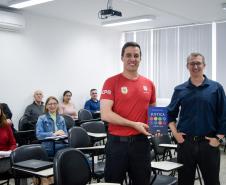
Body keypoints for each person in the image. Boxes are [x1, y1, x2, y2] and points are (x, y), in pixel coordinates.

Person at [100, 42, 156, 185]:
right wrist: (133, 124)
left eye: (136, 55)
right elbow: (105, 114)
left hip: (141, 143)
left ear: (140, 58)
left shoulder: (149, 84)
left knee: (142, 181)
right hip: (117, 144)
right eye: (128, 55)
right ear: (122, 58)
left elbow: (153, 113)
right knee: (113, 182)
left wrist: (157, 127)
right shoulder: (111, 82)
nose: (133, 59)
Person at [167, 52, 226, 185]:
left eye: (198, 63)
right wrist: (175, 134)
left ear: (204, 65)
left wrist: (219, 138)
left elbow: (224, 115)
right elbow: (170, 114)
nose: (195, 66)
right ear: (187, 66)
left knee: (212, 181)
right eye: (192, 63)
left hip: (209, 144)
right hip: (185, 144)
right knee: (184, 182)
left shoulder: (216, 88)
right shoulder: (179, 89)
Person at [0, 104, 16, 175]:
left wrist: (11, 150)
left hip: (6, 157)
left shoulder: (6, 125)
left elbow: (13, 143)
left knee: (22, 167)